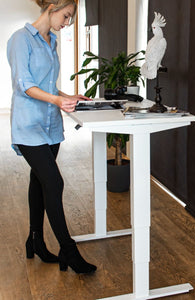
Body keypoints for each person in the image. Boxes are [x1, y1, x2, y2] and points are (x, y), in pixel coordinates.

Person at [7, 0, 96, 274]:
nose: (67, 23)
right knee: (54, 182)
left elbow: (48, 85)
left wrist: (69, 96)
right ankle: (68, 251)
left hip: (50, 126)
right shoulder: (20, 39)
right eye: (66, 16)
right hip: (29, 126)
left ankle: (34, 240)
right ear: (54, 6)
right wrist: (57, 100)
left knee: (40, 181)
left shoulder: (51, 41)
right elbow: (25, 84)